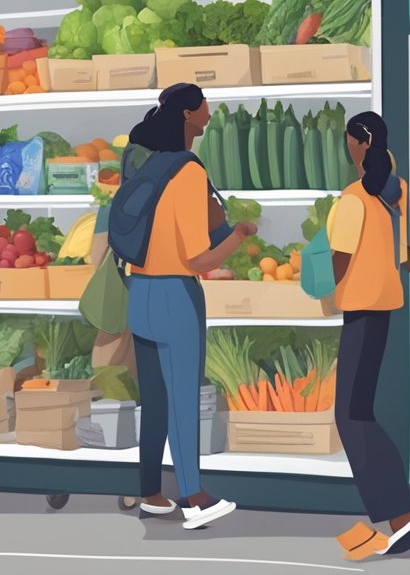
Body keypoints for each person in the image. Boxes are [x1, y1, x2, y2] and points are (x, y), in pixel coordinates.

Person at [118, 83, 253, 530]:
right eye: (204, 107)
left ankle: (151, 494)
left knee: (154, 402)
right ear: (189, 115)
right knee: (182, 401)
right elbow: (199, 258)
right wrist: (240, 235)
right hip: (177, 293)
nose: (210, 113)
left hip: (140, 292)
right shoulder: (189, 171)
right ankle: (195, 498)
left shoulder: (151, 164)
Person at [327, 112, 410, 560]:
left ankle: (400, 516)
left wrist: (325, 287)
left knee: (351, 416)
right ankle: (401, 514)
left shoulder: (352, 199)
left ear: (359, 143)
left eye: (349, 140)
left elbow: (338, 263)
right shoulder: (399, 191)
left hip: (359, 310)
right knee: (361, 412)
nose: (347, 146)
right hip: (387, 304)